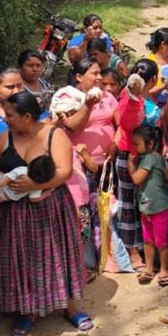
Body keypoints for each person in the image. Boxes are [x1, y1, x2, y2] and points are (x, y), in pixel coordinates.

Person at [0, 92, 92, 336]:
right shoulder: (5, 138)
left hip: (51, 207)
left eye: (10, 116)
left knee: (58, 255)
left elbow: (64, 171)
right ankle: (28, 310)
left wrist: (34, 185)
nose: (6, 120)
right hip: (14, 215)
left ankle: (69, 307)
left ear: (27, 116)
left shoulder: (55, 134)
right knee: (23, 259)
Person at [62, 59, 119, 277]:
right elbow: (73, 126)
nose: (99, 78)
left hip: (107, 166)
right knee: (83, 213)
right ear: (78, 76)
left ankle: (107, 254)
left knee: (106, 210)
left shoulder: (107, 96)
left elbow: (119, 123)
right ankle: (86, 260)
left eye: (99, 73)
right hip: (80, 167)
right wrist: (88, 103)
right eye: (94, 74)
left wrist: (115, 143)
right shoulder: (67, 98)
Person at [116, 59, 160, 270]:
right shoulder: (129, 98)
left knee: (148, 203)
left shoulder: (148, 98)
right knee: (129, 205)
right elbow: (127, 123)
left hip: (148, 156)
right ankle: (133, 251)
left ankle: (149, 248)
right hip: (130, 157)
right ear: (152, 80)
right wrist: (133, 97)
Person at [128, 125, 168, 287]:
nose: (135, 148)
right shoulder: (156, 157)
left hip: (157, 209)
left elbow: (137, 179)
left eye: (137, 144)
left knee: (159, 241)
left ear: (151, 143)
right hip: (149, 208)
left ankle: (161, 269)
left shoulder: (149, 158)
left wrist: (130, 165)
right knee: (149, 240)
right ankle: (152, 268)